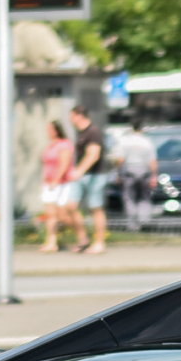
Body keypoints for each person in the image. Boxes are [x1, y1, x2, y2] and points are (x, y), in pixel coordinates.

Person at [66, 103, 109, 254]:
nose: (70, 119)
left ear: (78, 116)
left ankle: (99, 243)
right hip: (82, 175)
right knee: (70, 206)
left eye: (71, 116)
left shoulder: (93, 132)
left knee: (95, 208)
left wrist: (79, 171)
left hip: (95, 175)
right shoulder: (80, 132)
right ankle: (83, 238)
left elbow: (93, 154)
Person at [37, 118, 76, 252]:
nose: (48, 132)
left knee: (62, 215)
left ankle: (81, 233)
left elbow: (64, 164)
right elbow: (46, 164)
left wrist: (56, 179)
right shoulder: (51, 145)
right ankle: (51, 242)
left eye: (50, 129)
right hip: (48, 184)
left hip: (61, 184)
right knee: (50, 214)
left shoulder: (64, 145)